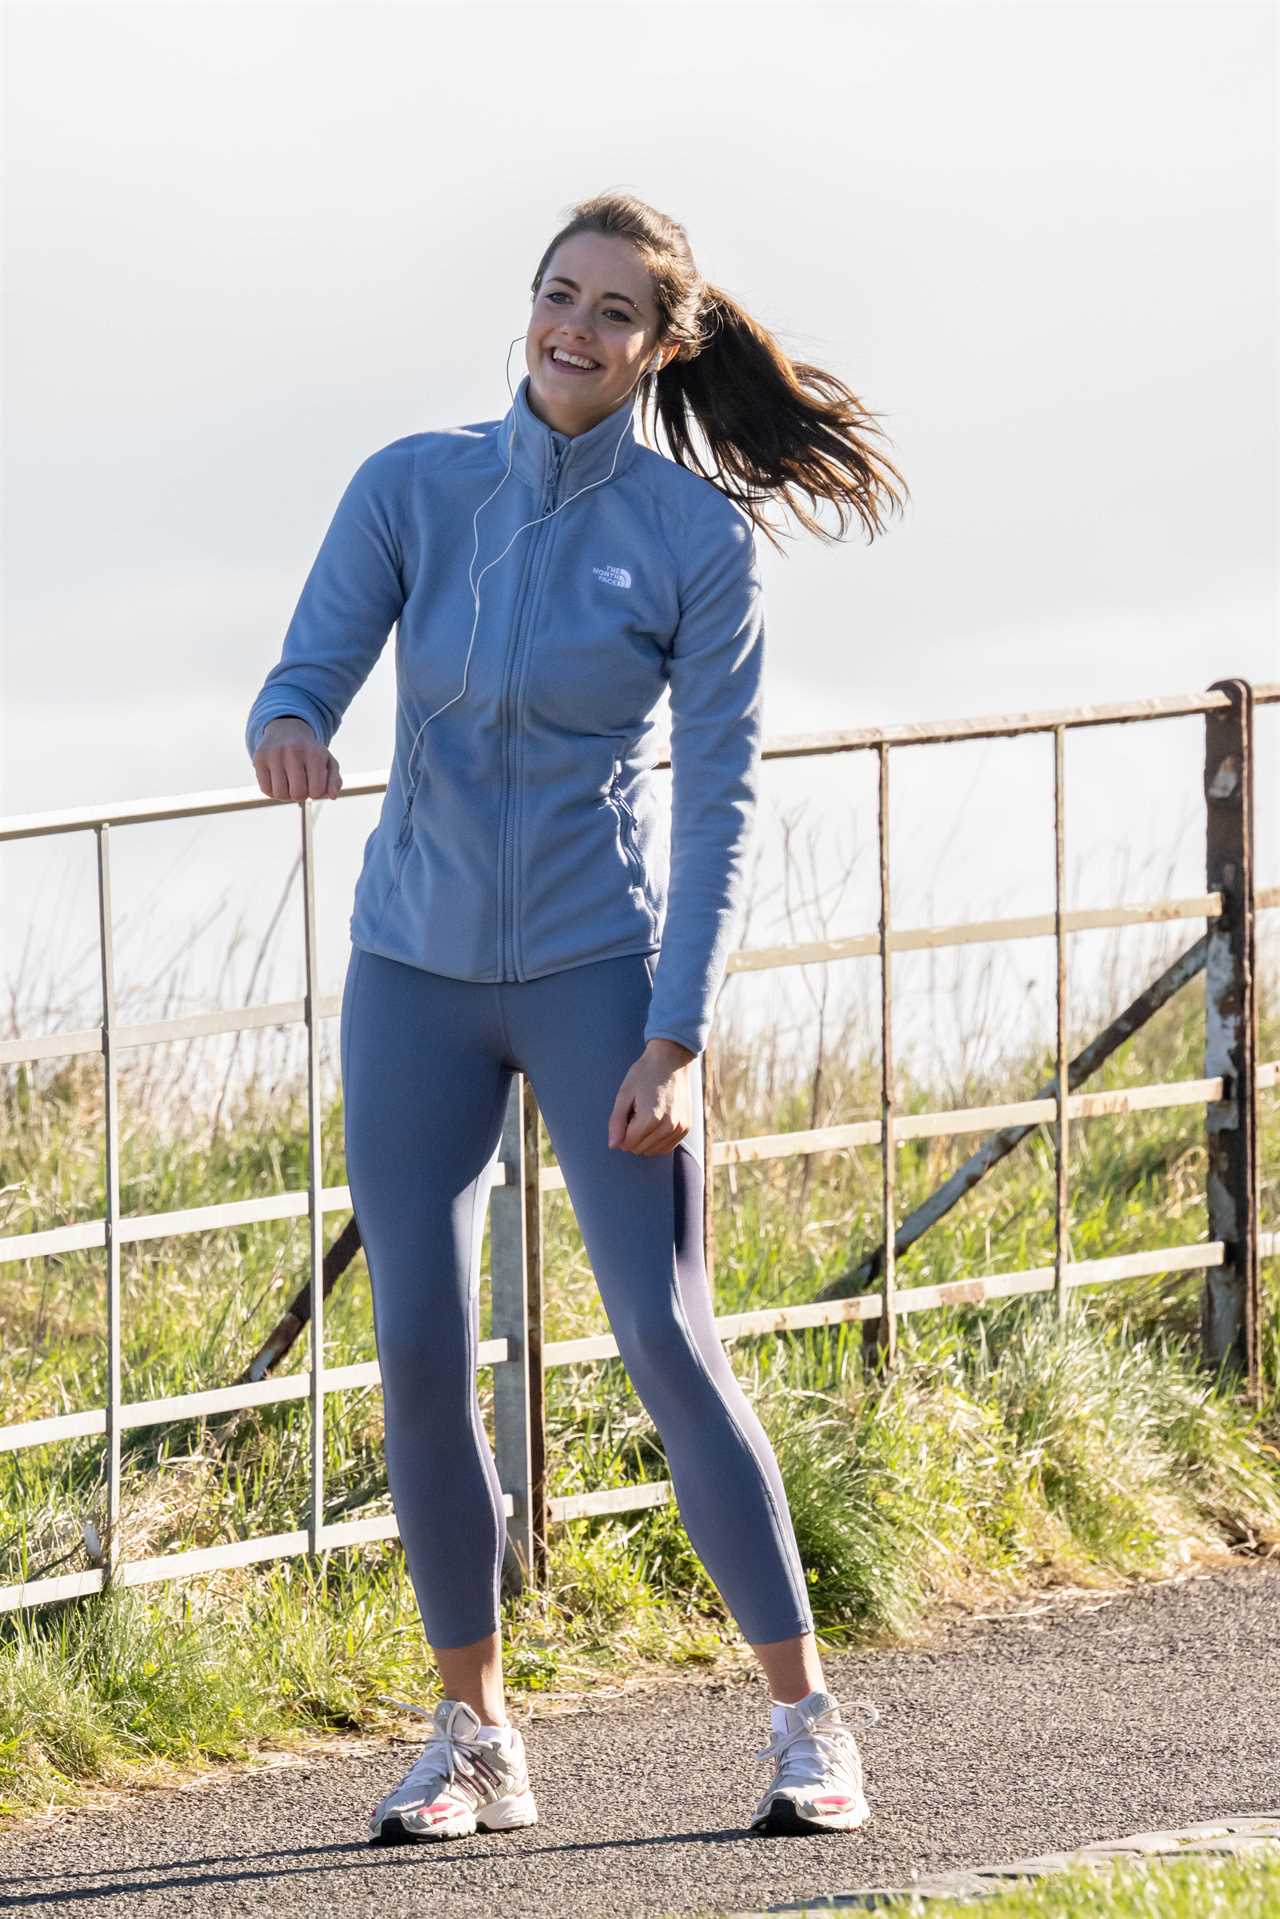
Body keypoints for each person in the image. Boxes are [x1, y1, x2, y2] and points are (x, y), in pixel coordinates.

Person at [245, 189, 907, 1845]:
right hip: (412, 973)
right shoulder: (413, 485)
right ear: (528, 305)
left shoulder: (693, 539)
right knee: (412, 1348)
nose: (574, 327)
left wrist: (677, 1034)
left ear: (663, 345)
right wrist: (290, 722)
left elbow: (723, 798)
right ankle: (472, 1733)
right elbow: (308, 666)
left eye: (616, 311)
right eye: (558, 294)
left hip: (601, 980)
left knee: (669, 1336)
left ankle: (806, 1718)